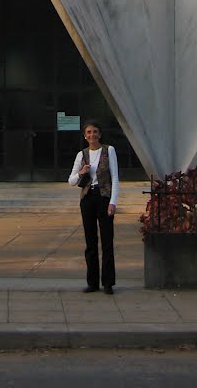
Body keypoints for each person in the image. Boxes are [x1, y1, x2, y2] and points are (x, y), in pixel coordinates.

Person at [68, 119, 119, 295]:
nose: (92, 135)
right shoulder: (81, 155)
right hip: (88, 198)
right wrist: (81, 173)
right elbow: (71, 181)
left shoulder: (109, 150)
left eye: (95, 131)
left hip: (104, 197)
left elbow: (115, 177)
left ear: (100, 133)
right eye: (89, 132)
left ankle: (108, 283)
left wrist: (113, 202)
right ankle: (92, 282)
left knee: (107, 241)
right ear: (85, 135)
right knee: (90, 241)